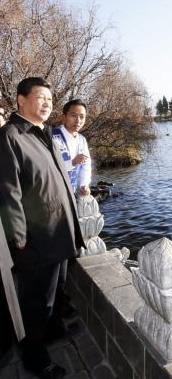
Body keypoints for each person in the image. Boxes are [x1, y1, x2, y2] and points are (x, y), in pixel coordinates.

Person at [0, 77, 84, 379]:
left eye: (50, 98)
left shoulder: (43, 134)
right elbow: (8, 192)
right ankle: (35, 359)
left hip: (59, 233)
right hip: (37, 241)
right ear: (21, 100)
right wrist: (19, 239)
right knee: (38, 303)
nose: (47, 103)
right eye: (40, 97)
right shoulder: (11, 136)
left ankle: (48, 337)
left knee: (56, 292)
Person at [52, 99, 91, 196]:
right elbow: (48, 167)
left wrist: (84, 185)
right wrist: (73, 162)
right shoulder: (52, 136)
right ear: (64, 117)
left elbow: (86, 166)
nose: (78, 120)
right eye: (73, 115)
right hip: (53, 193)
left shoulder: (82, 140)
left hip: (72, 193)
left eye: (82, 117)